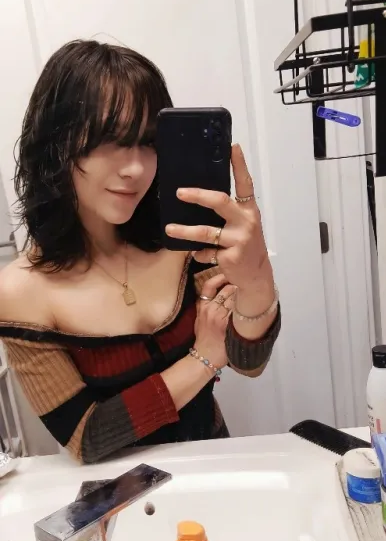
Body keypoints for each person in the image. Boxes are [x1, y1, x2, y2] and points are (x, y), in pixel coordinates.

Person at [0, 40, 280, 464]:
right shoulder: (21, 292)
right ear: (56, 144)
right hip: (118, 492)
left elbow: (249, 360)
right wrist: (203, 359)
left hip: (214, 466)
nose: (135, 168)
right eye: (109, 140)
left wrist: (257, 280)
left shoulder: (183, 239)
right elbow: (88, 438)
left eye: (148, 143)